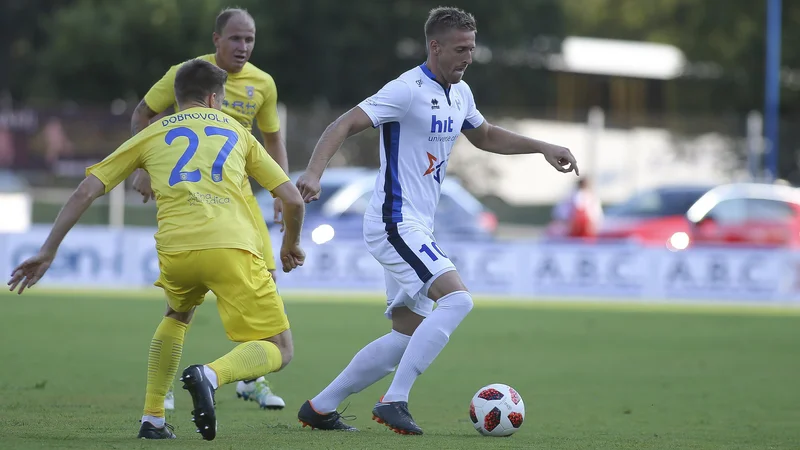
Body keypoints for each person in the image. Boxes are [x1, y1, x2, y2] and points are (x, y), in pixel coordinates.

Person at [294, 6, 578, 435]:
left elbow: (484, 136)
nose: (468, 57)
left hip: (417, 226)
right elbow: (345, 123)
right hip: (394, 222)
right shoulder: (406, 89)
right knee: (458, 300)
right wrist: (314, 173)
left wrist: (541, 146)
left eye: (472, 48)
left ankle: (321, 407)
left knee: (407, 336)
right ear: (435, 46)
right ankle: (395, 400)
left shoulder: (460, 93)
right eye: (460, 49)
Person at [8, 59, 306, 441]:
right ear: (214, 98)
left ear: (177, 97)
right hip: (231, 246)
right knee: (280, 348)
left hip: (176, 251)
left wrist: (47, 251)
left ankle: (152, 418)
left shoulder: (151, 134)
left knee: (178, 313)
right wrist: (290, 243)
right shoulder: (236, 131)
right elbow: (292, 200)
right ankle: (211, 376)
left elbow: (88, 190)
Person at [130, 7, 288, 411]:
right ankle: (165, 386)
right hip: (196, 199)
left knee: (266, 279)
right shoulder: (186, 74)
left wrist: (279, 192)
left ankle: (251, 379)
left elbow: (273, 139)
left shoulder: (263, 83)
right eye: (235, 38)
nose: (243, 46)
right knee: (180, 306)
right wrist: (146, 168)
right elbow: (143, 114)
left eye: (250, 39)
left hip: (241, 201)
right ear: (216, 40)